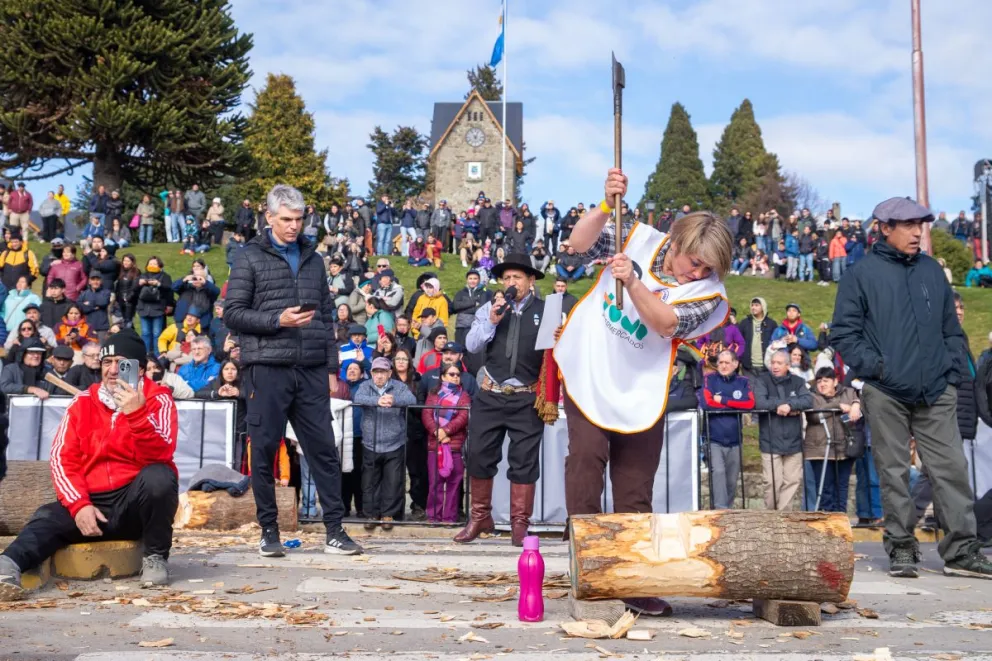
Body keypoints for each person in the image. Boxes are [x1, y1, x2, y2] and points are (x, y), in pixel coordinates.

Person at [830, 196, 992, 578]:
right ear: (885, 228)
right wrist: (877, 368)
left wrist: (950, 372)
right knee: (893, 471)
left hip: (936, 390)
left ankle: (962, 551)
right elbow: (844, 333)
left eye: (921, 225)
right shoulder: (860, 274)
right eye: (909, 225)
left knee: (951, 468)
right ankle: (902, 547)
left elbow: (952, 330)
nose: (918, 232)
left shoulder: (932, 271)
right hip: (886, 391)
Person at [225, 184, 361, 556]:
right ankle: (269, 531)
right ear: (269, 217)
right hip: (266, 367)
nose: (293, 227)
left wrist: (332, 366)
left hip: (312, 368)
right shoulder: (248, 256)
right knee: (266, 449)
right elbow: (232, 312)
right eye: (286, 219)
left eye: (299, 220)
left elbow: (328, 315)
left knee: (323, 450)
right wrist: (276, 319)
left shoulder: (315, 259)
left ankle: (334, 530)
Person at [0, 330, 179, 602]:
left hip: (133, 503)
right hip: (91, 501)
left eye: (122, 363)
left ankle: (155, 557)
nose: (112, 370)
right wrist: (79, 504)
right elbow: (62, 458)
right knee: (47, 516)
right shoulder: (83, 401)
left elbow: (162, 451)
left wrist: (137, 415)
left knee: (160, 477)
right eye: (106, 362)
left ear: (140, 369)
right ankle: (8, 565)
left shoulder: (159, 399)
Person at [458, 253, 549, 547]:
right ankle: (480, 517)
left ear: (531, 280)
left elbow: (556, 353)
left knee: (524, 461)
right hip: (491, 393)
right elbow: (471, 344)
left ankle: (519, 525)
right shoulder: (490, 307)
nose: (512, 283)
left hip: (526, 396)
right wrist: (492, 321)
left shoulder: (546, 311)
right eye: (507, 278)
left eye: (517, 278)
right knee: (478, 455)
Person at [353, 357, 416, 530]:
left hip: (395, 442)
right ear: (371, 373)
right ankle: (371, 515)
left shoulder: (399, 386)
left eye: (383, 372)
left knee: (393, 482)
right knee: (369, 482)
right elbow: (358, 397)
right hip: (370, 443)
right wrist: (376, 401)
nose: (379, 376)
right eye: (376, 372)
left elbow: (412, 400)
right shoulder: (365, 386)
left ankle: (388, 515)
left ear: (389, 373)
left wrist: (394, 400)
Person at [753, 349, 814, 511]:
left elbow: (808, 400)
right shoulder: (762, 381)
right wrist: (782, 405)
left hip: (794, 442)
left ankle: (783, 518)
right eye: (773, 362)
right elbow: (759, 402)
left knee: (792, 481)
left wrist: (790, 405)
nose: (775, 366)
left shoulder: (798, 381)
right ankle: (771, 517)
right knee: (772, 482)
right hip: (770, 441)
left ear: (788, 365)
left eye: (779, 363)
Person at [698, 350, 753, 509]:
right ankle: (720, 512)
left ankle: (726, 512)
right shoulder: (710, 379)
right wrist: (734, 405)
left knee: (731, 480)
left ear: (735, 364)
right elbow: (707, 403)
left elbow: (749, 404)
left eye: (727, 362)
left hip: (736, 439)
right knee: (718, 473)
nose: (723, 365)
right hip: (714, 438)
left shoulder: (743, 381)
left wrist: (722, 400)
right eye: (720, 362)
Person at [423, 363, 471, 523]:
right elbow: (426, 414)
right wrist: (437, 432)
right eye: (452, 374)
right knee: (435, 482)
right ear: (443, 376)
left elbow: (463, 417)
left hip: (455, 446)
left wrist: (446, 431)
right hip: (435, 445)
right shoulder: (434, 394)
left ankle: (449, 517)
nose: (456, 377)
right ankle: (433, 516)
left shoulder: (464, 396)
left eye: (458, 374)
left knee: (454, 483)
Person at [451, 270, 491, 376]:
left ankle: (473, 377)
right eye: (470, 278)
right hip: (461, 328)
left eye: (475, 278)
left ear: (479, 280)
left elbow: (481, 309)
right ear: (467, 280)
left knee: (474, 354)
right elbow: (455, 306)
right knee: (460, 353)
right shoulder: (461, 292)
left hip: (474, 328)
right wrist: (473, 302)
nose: (472, 281)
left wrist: (463, 308)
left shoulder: (483, 292)